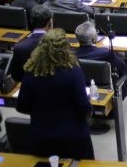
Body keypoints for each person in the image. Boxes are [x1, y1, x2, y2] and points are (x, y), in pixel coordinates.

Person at [16, 28, 94, 159]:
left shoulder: (31, 72)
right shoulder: (73, 71)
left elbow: (22, 106)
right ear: (65, 48)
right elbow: (84, 107)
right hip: (74, 137)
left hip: (41, 137)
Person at [74, 20, 127, 99]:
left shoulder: (71, 55)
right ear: (94, 39)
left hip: (80, 90)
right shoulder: (106, 54)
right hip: (106, 94)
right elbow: (124, 70)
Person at [10, 5, 53, 82]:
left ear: (31, 22)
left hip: (27, 90)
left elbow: (15, 76)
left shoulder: (19, 47)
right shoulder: (56, 45)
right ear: (50, 22)